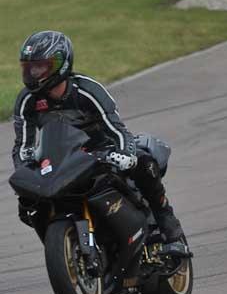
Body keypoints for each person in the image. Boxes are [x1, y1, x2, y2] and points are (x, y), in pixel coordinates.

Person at [12, 30, 185, 245]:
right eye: (29, 67)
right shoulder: (27, 100)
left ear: (60, 64)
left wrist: (125, 154)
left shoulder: (87, 90)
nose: (33, 73)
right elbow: (23, 146)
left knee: (143, 162)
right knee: (28, 204)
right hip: (59, 159)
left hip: (102, 152)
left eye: (40, 66)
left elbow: (117, 129)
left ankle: (166, 218)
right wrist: (25, 173)